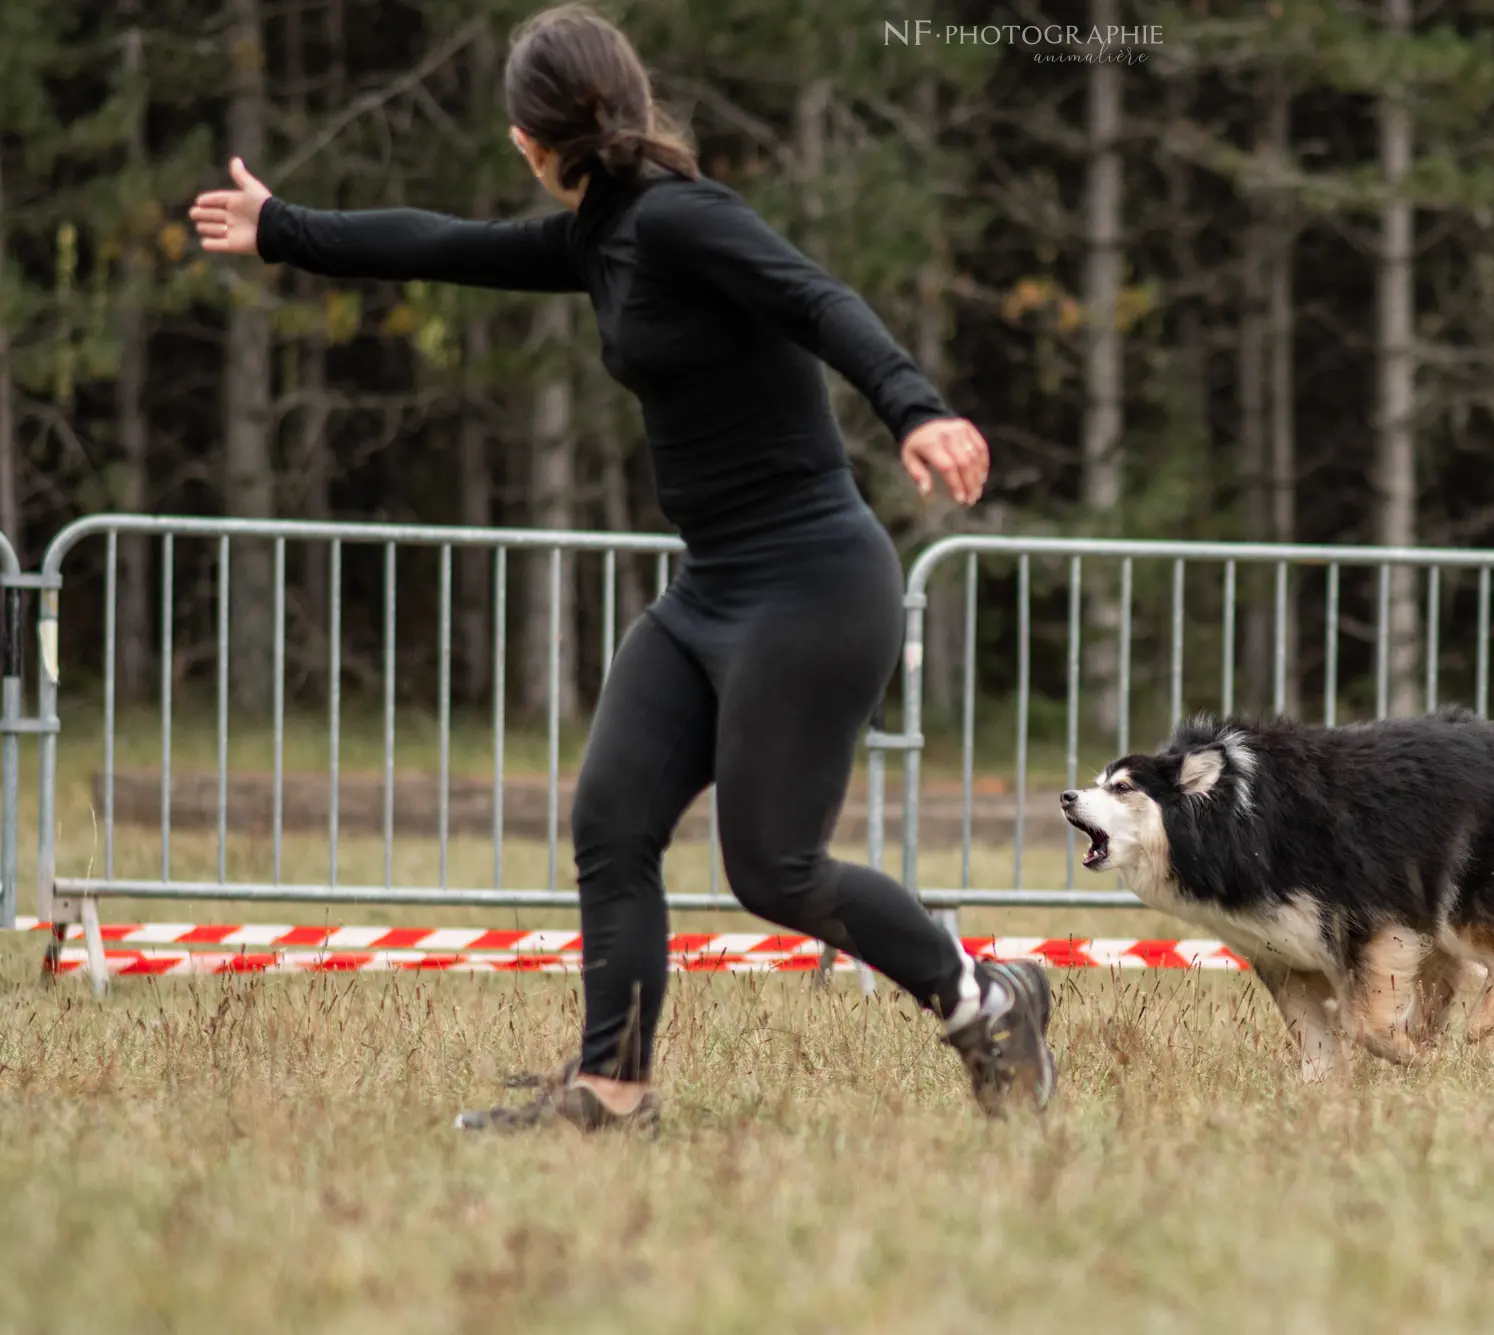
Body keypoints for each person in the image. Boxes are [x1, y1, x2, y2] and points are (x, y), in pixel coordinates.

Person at [189, 3, 1054, 1130]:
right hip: (711, 595)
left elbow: (814, 297)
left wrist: (915, 409)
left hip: (812, 586)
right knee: (611, 822)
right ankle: (611, 1092)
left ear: (526, 138)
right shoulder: (595, 240)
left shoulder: (684, 219)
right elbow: (443, 244)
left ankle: (985, 1000)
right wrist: (285, 228)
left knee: (774, 868)